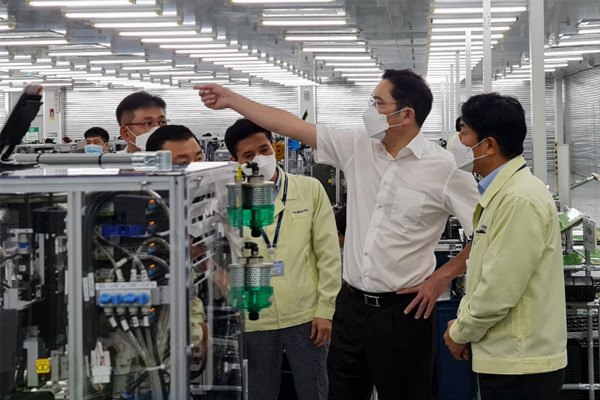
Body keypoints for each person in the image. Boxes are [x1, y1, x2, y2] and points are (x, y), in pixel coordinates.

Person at [195, 69, 480, 400]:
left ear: (406, 114)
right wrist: (232, 100)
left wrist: (440, 278)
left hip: (404, 313)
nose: (370, 110)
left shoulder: (445, 168)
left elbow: (487, 234)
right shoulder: (358, 148)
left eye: (378, 103)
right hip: (351, 308)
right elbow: (289, 124)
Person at [443, 93, 567, 400]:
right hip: (510, 358)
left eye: (464, 132)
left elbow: (499, 289)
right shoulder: (504, 193)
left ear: (488, 145)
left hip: (521, 364)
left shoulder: (518, 199)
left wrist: (460, 331)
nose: (457, 140)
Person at [224, 118, 341, 400]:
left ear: (275, 149)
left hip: (306, 313)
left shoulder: (309, 189)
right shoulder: (233, 199)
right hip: (254, 316)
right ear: (235, 161)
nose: (259, 159)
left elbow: (328, 254)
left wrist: (325, 309)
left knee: (314, 389)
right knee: (259, 392)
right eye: (248, 156)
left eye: (264, 150)